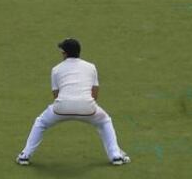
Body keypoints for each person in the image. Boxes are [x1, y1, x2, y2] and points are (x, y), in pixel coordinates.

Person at [16, 38, 130, 166]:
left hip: (61, 108)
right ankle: (115, 156)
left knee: (41, 122)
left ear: (64, 53)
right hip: (88, 108)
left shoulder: (56, 69)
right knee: (105, 121)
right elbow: (95, 94)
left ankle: (24, 156)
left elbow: (56, 95)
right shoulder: (91, 67)